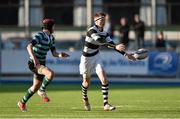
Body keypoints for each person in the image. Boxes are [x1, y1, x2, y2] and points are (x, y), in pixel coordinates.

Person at [79, 12, 136, 111]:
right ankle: (85, 98)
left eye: (104, 20)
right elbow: (101, 42)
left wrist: (126, 55)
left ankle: (106, 104)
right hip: (86, 59)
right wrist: (115, 46)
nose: (103, 22)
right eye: (101, 20)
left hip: (96, 56)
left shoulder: (105, 33)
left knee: (104, 79)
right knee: (86, 83)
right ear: (95, 21)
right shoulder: (91, 31)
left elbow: (113, 45)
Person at [17, 18, 69, 112]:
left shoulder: (52, 38)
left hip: (41, 63)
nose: (54, 28)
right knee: (50, 74)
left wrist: (60, 55)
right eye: (53, 26)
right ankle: (42, 91)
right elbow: (29, 46)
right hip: (34, 63)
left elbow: (54, 53)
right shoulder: (40, 35)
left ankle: (22, 102)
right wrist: (35, 58)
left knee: (35, 86)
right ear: (50, 27)